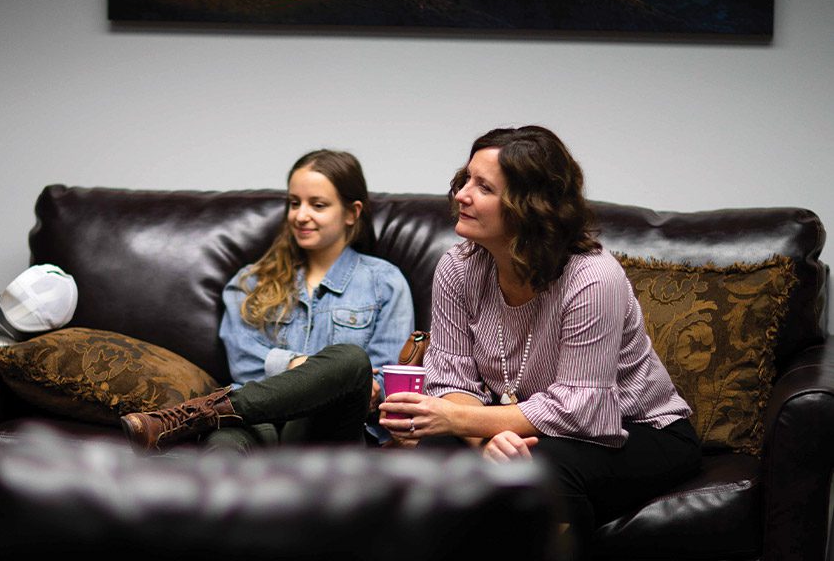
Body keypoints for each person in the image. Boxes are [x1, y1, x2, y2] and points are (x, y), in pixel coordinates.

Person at [379, 126, 700, 559]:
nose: (461, 195)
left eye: (484, 187)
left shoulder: (591, 278)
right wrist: (486, 441)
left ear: (527, 208)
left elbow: (581, 408)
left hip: (637, 429)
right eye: (466, 179)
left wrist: (467, 423)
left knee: (542, 472)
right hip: (526, 426)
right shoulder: (457, 268)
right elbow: (453, 381)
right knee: (439, 456)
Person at [121, 149, 414, 452]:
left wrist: (303, 366)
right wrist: (303, 369)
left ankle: (195, 417)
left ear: (352, 213)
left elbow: (379, 382)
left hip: (327, 430)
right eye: (294, 203)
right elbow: (244, 365)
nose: (301, 215)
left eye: (318, 205)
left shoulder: (385, 283)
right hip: (255, 422)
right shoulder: (250, 283)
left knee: (351, 360)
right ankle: (190, 448)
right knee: (222, 448)